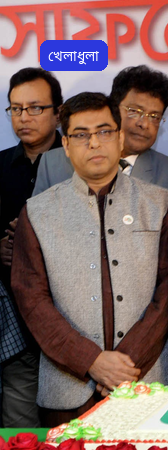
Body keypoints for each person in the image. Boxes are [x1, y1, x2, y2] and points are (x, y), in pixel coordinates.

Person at [11, 92, 168, 426]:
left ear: (119, 138)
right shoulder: (37, 212)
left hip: (146, 383)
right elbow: (31, 300)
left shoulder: (158, 203)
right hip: (67, 394)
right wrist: (91, 361)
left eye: (104, 131)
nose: (94, 143)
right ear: (65, 144)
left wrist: (123, 366)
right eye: (81, 134)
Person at [33, 65, 168, 240]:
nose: (143, 124)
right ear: (113, 109)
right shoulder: (53, 164)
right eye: (135, 111)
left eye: (154, 116)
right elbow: (37, 232)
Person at [0, 67, 64, 427]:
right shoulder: (0, 165)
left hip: (70, 319)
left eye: (35, 108)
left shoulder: (79, 164)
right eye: (16, 108)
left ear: (58, 113)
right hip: (13, 326)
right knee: (19, 429)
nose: (24, 117)